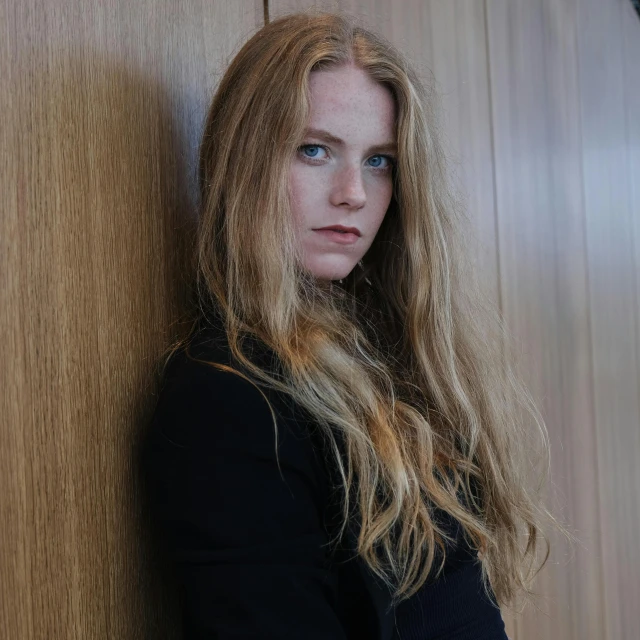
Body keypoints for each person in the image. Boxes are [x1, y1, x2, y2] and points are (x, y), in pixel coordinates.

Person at [141, 10, 570, 640]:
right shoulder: (230, 399)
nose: (354, 193)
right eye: (314, 150)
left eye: (379, 161)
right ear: (246, 160)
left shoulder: (388, 370)